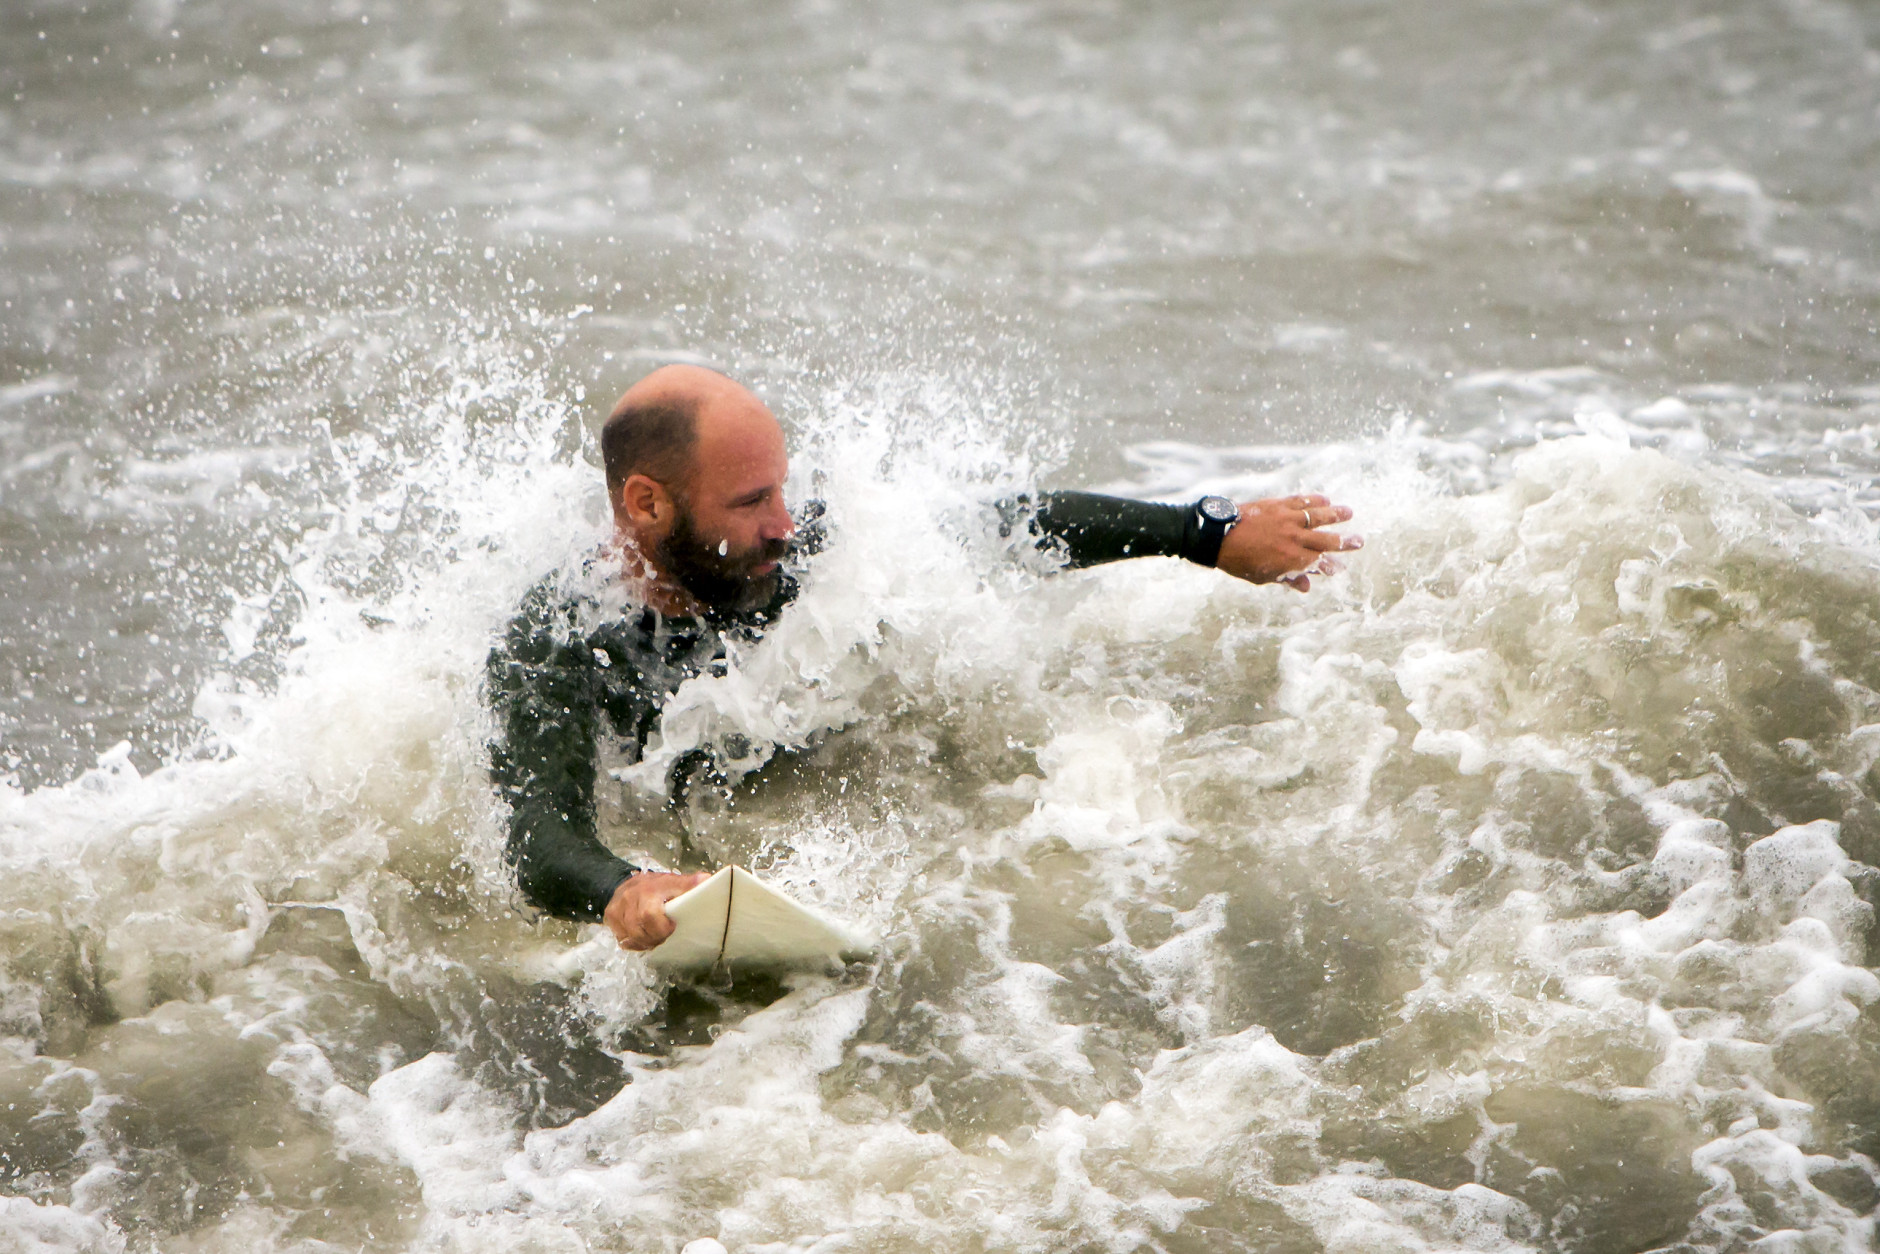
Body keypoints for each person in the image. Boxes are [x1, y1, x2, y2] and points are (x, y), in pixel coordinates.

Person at [486, 365, 1361, 951]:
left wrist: (1205, 535)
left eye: (784, 490)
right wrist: (621, 888)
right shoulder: (559, 639)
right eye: (752, 500)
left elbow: (1009, 526)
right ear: (647, 504)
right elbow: (537, 833)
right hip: (675, 817)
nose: (784, 524)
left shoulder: (804, 555)